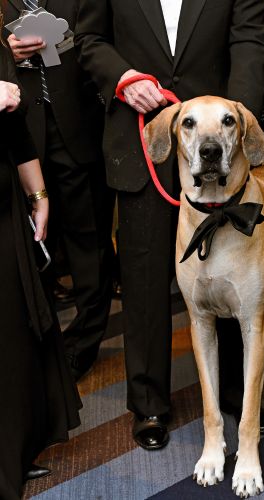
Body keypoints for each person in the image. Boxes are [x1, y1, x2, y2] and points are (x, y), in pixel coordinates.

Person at [74, 0, 264, 450]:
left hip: (215, 144)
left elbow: (249, 42)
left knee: (232, 274)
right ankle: (149, 404)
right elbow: (89, 39)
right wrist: (123, 78)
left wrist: (235, 128)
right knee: (143, 277)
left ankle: (240, 398)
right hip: (143, 135)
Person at [3, 0, 115, 382]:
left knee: (89, 244)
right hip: (17, 133)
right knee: (27, 245)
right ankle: (37, 345)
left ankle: (83, 343)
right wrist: (5, 49)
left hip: (78, 125)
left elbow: (99, 40)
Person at [0, 30, 81, 499]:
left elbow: (13, 126)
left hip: (4, 203)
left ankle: (12, 451)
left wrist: (38, 193)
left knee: (13, 331)